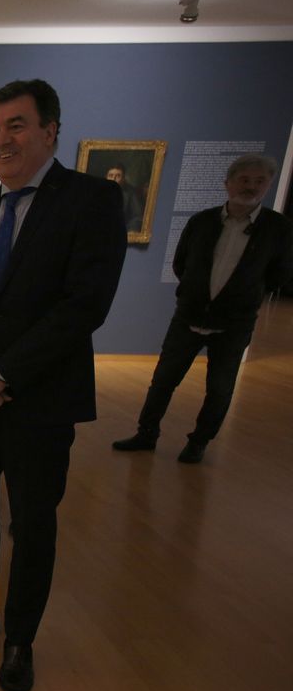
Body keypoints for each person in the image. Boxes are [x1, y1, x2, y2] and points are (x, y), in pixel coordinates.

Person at [0, 79, 126, 691]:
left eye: (15, 125)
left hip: (37, 400)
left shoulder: (91, 201)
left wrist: (1, 375)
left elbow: (83, 305)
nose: (0, 139)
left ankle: (19, 640)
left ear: (49, 131)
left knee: (33, 524)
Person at [113, 153, 292, 463]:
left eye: (258, 181)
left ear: (268, 185)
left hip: (234, 323)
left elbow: (279, 274)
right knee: (163, 380)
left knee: (220, 388)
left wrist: (243, 295)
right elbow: (183, 263)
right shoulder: (202, 222)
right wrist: (194, 294)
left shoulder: (278, 229)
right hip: (189, 316)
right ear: (228, 183)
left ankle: (198, 442)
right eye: (244, 180)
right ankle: (146, 432)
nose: (250, 187)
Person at [105, 163, 145, 232]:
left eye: (118, 176)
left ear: (123, 178)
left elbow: (137, 217)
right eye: (110, 176)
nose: (113, 179)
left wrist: (131, 230)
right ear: (106, 177)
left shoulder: (131, 193)